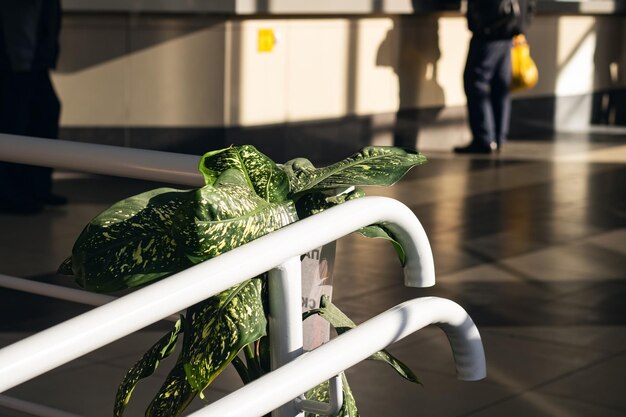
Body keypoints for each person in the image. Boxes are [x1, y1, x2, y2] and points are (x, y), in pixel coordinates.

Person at [0, 0, 66, 214]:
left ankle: (36, 188)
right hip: (17, 59)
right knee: (15, 121)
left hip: (31, 59)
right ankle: (11, 194)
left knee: (44, 114)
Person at [455, 0, 536, 154]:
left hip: (490, 28)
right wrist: (522, 25)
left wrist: (479, 22)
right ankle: (498, 137)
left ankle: (484, 139)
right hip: (509, 30)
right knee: (501, 85)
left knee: (476, 82)